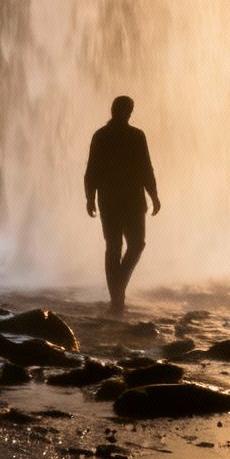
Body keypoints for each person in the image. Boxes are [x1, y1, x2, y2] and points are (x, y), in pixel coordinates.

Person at [84, 94, 160, 315]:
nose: (127, 113)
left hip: (115, 200)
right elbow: (93, 169)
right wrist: (89, 197)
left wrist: (154, 195)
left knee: (127, 246)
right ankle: (117, 298)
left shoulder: (113, 135)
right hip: (126, 201)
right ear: (123, 111)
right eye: (127, 110)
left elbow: (92, 171)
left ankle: (117, 292)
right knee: (124, 245)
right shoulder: (123, 136)